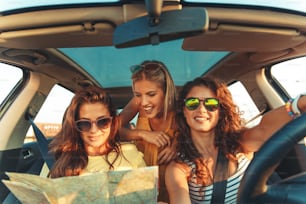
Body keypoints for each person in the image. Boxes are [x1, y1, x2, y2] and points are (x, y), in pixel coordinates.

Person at [165, 76, 306, 204]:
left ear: (220, 111)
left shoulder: (240, 144)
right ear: (184, 110)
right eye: (193, 102)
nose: (201, 109)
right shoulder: (179, 168)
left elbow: (263, 129)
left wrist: (299, 104)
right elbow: (179, 196)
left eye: (211, 103)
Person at [48, 85, 146, 178]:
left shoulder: (130, 154)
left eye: (103, 122)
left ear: (112, 122)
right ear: (75, 125)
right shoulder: (61, 161)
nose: (94, 130)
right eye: (85, 123)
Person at [119, 60, 177, 202]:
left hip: (173, 188)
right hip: (141, 186)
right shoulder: (137, 104)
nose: (144, 102)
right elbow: (109, 130)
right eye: (138, 94)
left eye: (151, 94)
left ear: (166, 91)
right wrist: (141, 134)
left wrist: (179, 143)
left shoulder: (180, 112)